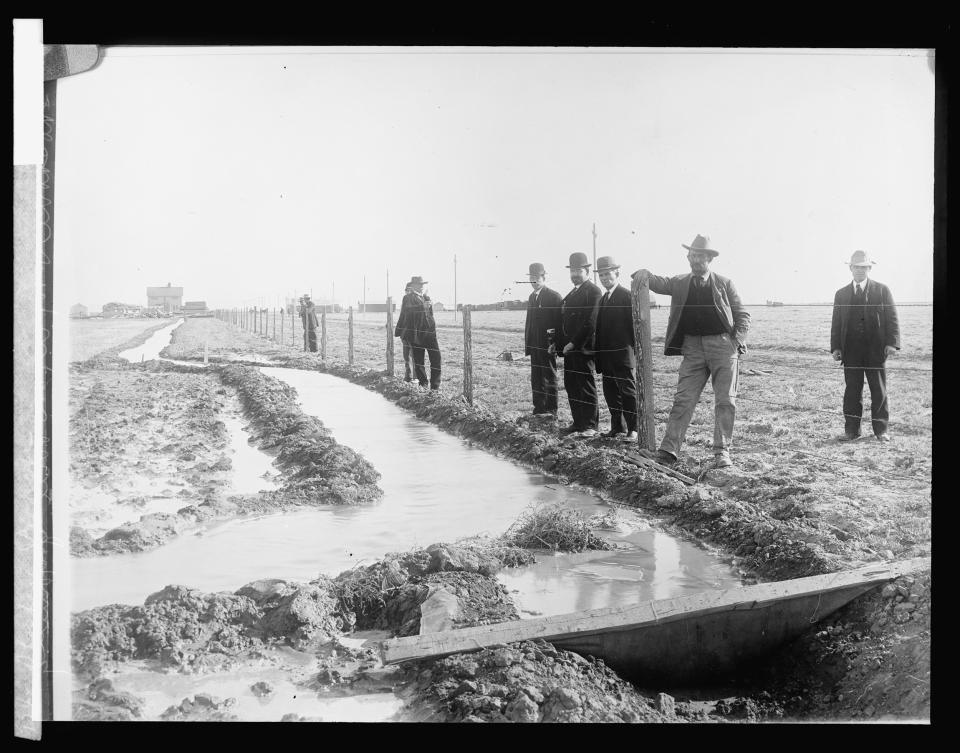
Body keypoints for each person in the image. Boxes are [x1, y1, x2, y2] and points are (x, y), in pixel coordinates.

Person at [631, 234, 750, 468]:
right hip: (692, 348)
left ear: (709, 259)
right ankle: (668, 451)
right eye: (692, 255)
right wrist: (643, 273)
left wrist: (736, 340)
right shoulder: (680, 282)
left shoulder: (724, 283)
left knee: (726, 401)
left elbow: (742, 315)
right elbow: (658, 282)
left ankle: (721, 452)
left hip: (723, 348)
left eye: (700, 256)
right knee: (683, 399)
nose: (694, 260)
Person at [830, 250, 900, 442]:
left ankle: (881, 431)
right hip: (850, 351)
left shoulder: (882, 290)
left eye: (863, 267)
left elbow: (892, 318)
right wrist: (836, 347)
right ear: (850, 268)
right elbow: (836, 323)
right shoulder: (841, 294)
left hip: (875, 350)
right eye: (856, 267)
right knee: (852, 390)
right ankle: (852, 431)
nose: (859, 271)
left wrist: (892, 343)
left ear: (869, 268)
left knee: (879, 390)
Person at [557, 252, 603, 437]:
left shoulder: (593, 291)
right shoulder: (571, 293)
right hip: (569, 350)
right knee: (572, 385)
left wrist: (574, 343)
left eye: (579, 270)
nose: (575, 274)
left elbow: (590, 322)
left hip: (583, 348)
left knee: (585, 385)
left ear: (587, 271)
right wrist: (561, 345)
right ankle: (578, 422)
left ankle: (591, 425)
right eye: (573, 271)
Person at [594, 256, 638, 441]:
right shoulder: (604, 298)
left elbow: (635, 327)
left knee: (627, 393)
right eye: (601, 275)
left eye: (608, 274)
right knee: (611, 393)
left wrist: (633, 352)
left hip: (622, 355)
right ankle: (617, 427)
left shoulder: (627, 296)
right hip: (607, 357)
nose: (605, 278)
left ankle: (634, 430)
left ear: (617, 273)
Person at [523, 262, 563, 417]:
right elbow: (529, 323)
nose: (534, 281)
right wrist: (529, 345)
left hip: (548, 345)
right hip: (535, 345)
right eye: (531, 278)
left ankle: (551, 409)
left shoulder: (553, 296)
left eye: (537, 278)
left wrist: (554, 343)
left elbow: (558, 323)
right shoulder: (532, 297)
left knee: (549, 376)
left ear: (544, 277)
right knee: (536, 377)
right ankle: (539, 407)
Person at [395, 275, 441, 390]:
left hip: (430, 334)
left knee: (436, 359)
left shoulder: (426, 297)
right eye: (419, 285)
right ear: (413, 286)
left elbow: (430, 315)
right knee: (419, 362)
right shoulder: (408, 298)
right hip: (416, 334)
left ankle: (435, 387)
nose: (421, 287)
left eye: (422, 285)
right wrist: (422, 306)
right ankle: (423, 385)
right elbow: (408, 310)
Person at [394, 283, 415, 381]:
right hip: (407, 333)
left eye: (409, 290)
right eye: (406, 290)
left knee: (411, 355)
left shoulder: (408, 299)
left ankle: (411, 377)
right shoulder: (410, 299)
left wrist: (399, 330)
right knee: (408, 356)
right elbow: (402, 316)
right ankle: (410, 376)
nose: (407, 292)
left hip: (410, 332)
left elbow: (403, 316)